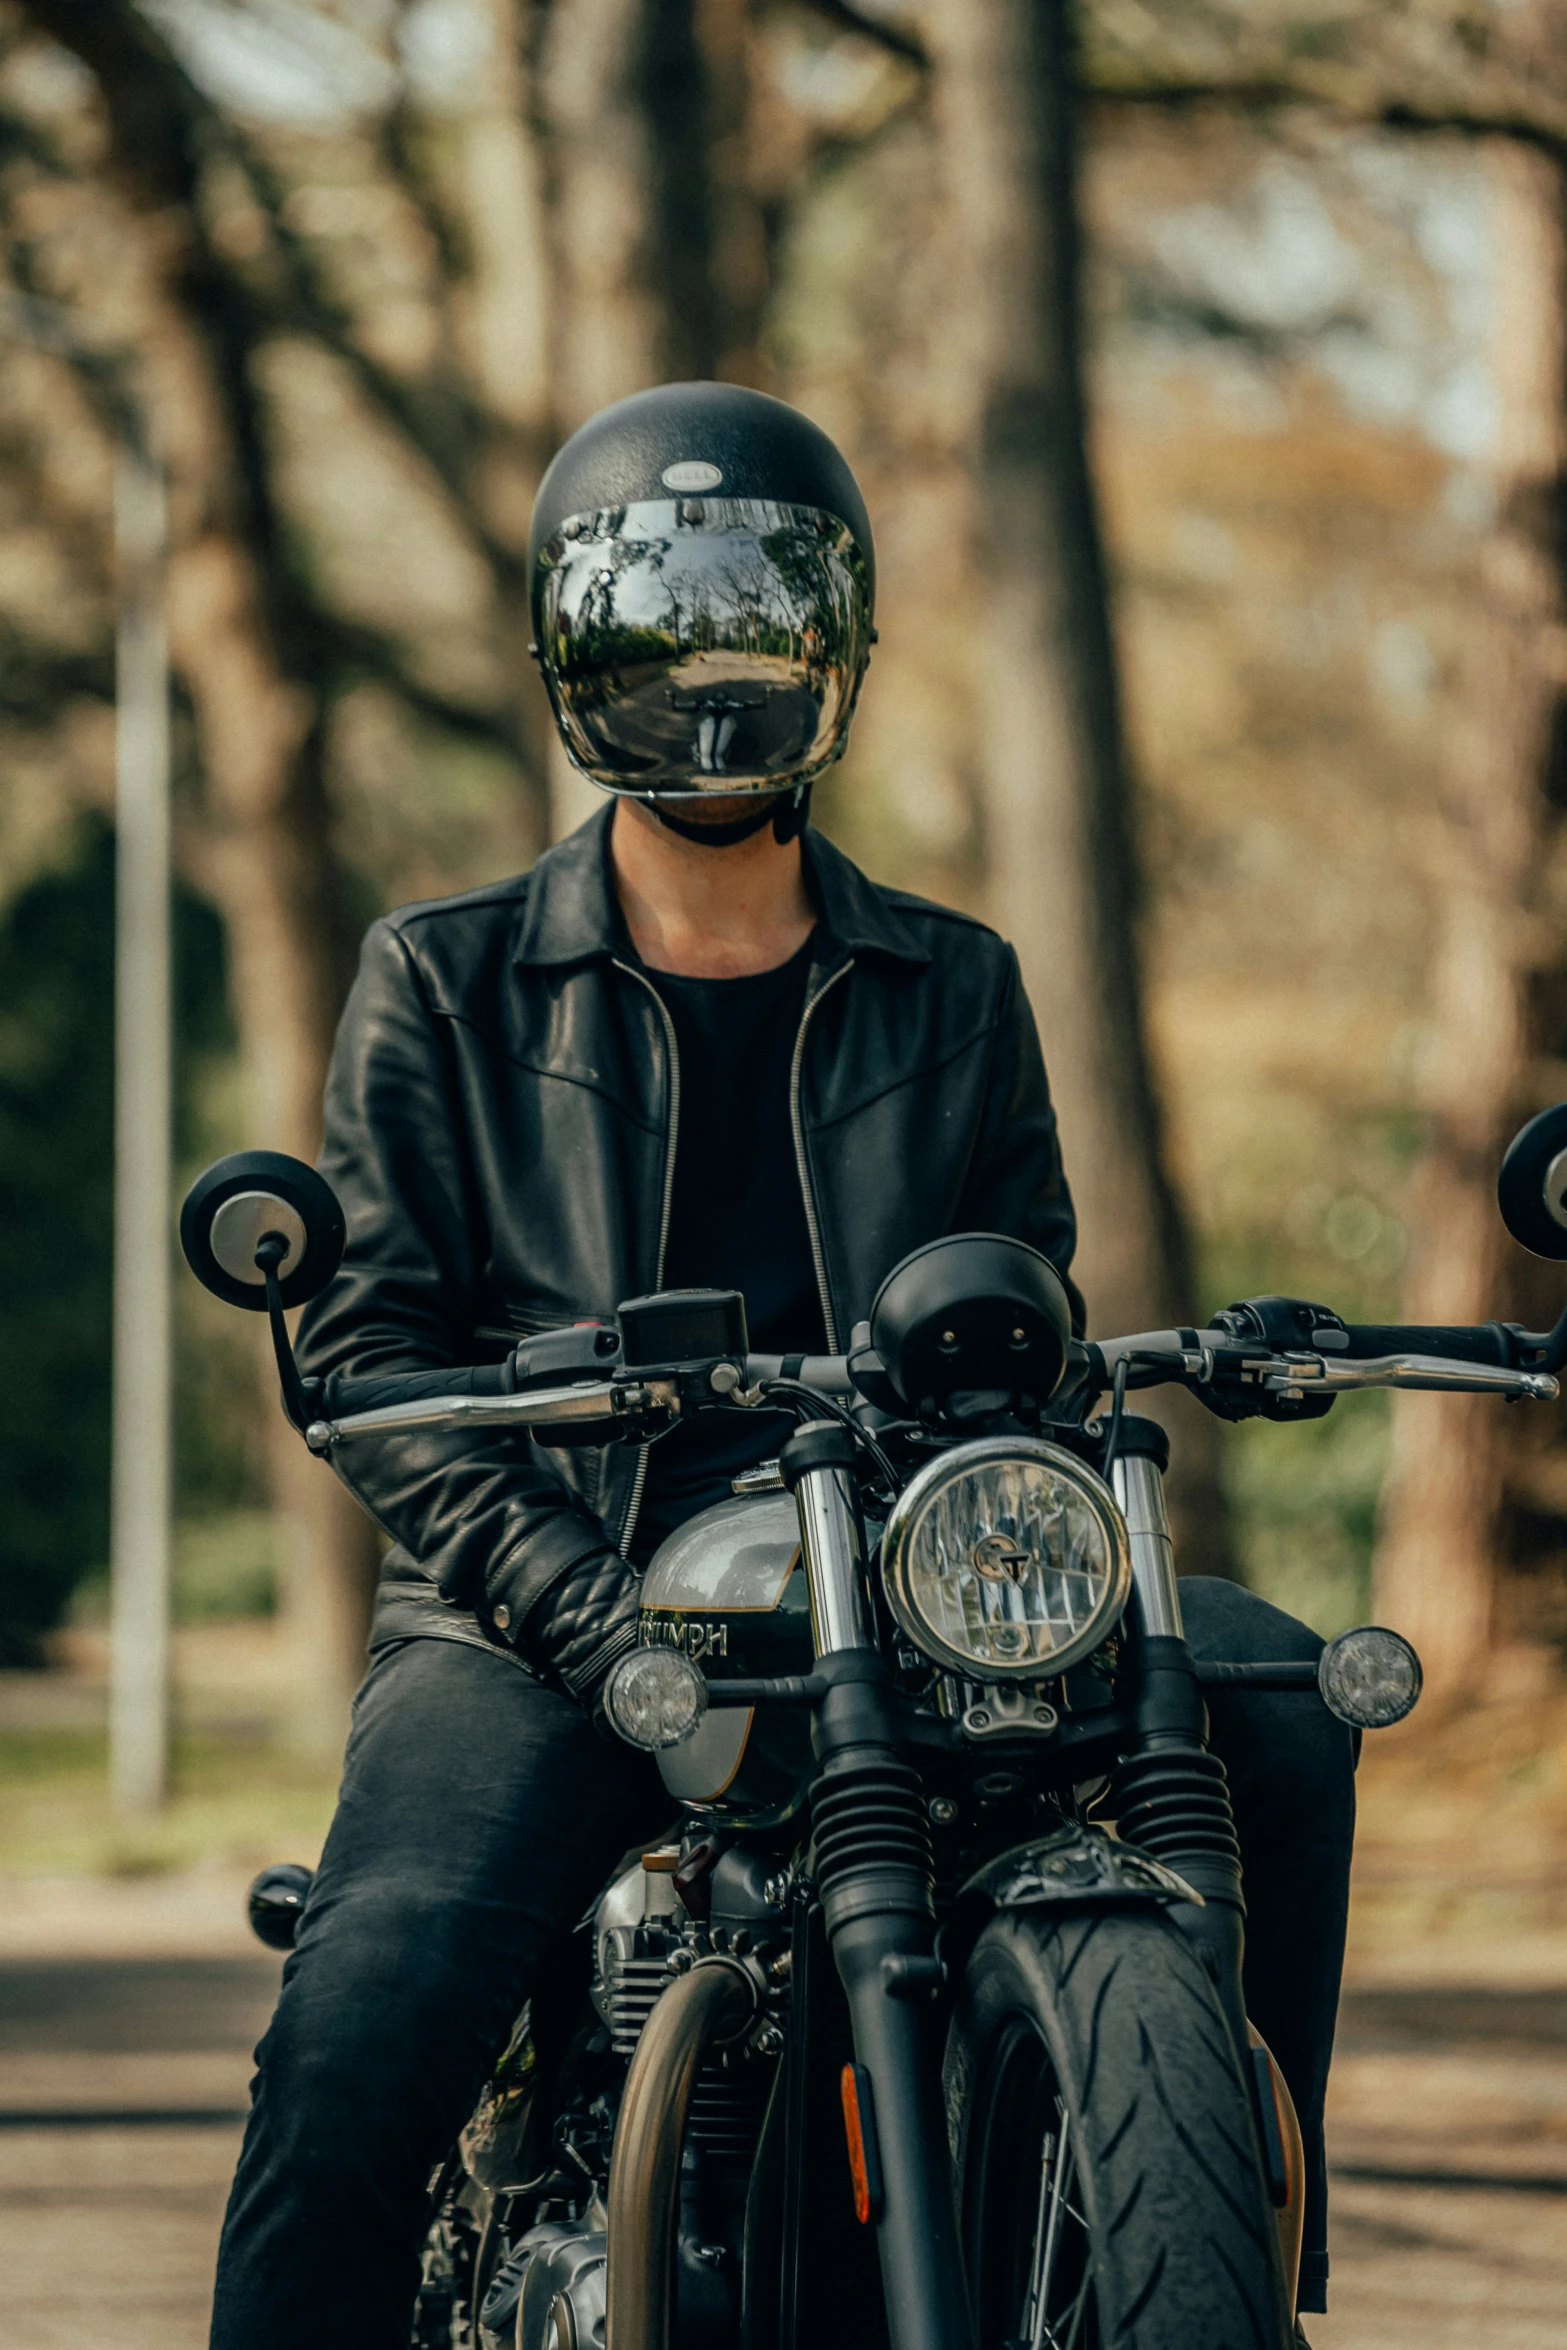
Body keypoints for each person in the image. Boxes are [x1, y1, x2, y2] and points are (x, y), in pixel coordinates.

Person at [208, 383, 1351, 2348]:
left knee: (1279, 1701)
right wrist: (581, 1603)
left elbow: (1023, 1325)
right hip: (541, 1599)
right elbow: (380, 1349)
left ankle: (1227, 2242)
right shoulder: (447, 974)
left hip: (893, 1590)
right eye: (664, 624)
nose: (715, 680)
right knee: (363, 2022)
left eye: (763, 616)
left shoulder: (954, 981)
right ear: (575, 647)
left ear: (841, 641)